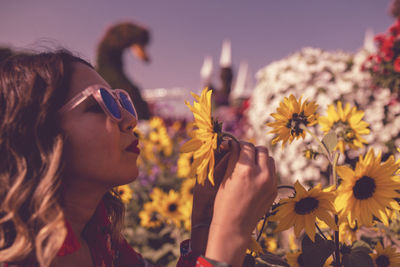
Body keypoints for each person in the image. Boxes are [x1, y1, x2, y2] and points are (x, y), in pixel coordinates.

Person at [0, 50, 277, 267]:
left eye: (123, 101)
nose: (131, 119)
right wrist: (231, 234)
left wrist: (205, 221)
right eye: (102, 104)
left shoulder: (102, 239)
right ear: (38, 132)